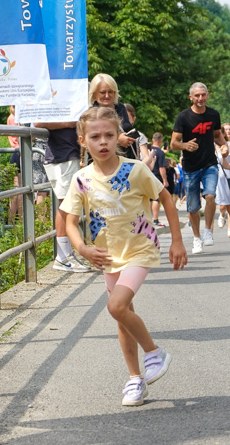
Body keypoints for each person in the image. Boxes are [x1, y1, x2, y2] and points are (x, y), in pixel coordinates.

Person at [60, 106, 187, 406]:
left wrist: (177, 242)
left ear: (119, 136)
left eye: (108, 135)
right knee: (123, 315)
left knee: (115, 306)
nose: (102, 142)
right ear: (83, 141)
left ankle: (154, 353)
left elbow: (165, 198)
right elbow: (68, 220)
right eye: (95, 137)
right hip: (107, 256)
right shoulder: (81, 179)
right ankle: (135, 380)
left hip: (139, 249)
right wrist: (82, 248)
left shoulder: (135, 170)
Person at [171, 82, 226, 254]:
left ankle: (208, 231)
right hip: (190, 167)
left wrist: (224, 146)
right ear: (191, 97)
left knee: (210, 196)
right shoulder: (183, 117)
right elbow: (173, 143)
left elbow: (217, 135)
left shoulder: (213, 114)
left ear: (207, 95)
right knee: (193, 207)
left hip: (209, 163)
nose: (200, 98)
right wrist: (185, 145)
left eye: (203, 95)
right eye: (197, 96)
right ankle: (196, 238)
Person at [34, 114, 92, 273]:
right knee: (66, 204)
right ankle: (63, 257)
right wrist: (72, 122)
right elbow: (38, 121)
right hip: (62, 157)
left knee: (69, 204)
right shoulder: (58, 99)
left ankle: (66, 255)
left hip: (69, 154)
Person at [88, 74, 139, 161]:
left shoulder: (121, 107)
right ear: (94, 94)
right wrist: (117, 140)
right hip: (104, 162)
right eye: (103, 92)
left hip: (128, 159)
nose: (107, 96)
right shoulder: (91, 114)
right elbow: (91, 140)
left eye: (110, 92)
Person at [149, 133, 168, 227]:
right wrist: (165, 180)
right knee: (156, 199)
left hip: (146, 175)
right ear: (160, 141)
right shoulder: (160, 152)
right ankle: (155, 219)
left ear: (153, 139)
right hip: (156, 176)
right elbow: (161, 168)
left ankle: (147, 218)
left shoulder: (147, 150)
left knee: (147, 198)